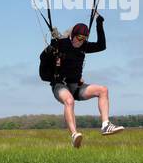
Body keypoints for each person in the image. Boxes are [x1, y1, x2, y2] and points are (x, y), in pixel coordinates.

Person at [45, 15, 124, 148]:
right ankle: (74, 134)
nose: (80, 41)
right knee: (69, 101)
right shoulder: (62, 44)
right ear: (72, 36)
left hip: (76, 87)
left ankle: (106, 125)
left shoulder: (83, 47)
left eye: (84, 39)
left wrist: (99, 23)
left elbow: (101, 45)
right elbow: (45, 57)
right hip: (60, 85)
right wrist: (53, 45)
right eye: (78, 38)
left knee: (103, 90)